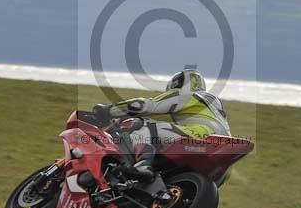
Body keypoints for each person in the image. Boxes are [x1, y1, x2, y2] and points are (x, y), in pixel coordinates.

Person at [93, 68, 230, 180]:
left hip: (201, 135)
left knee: (143, 125)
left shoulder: (186, 94)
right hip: (222, 155)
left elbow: (145, 106)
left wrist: (109, 110)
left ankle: (143, 164)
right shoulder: (213, 104)